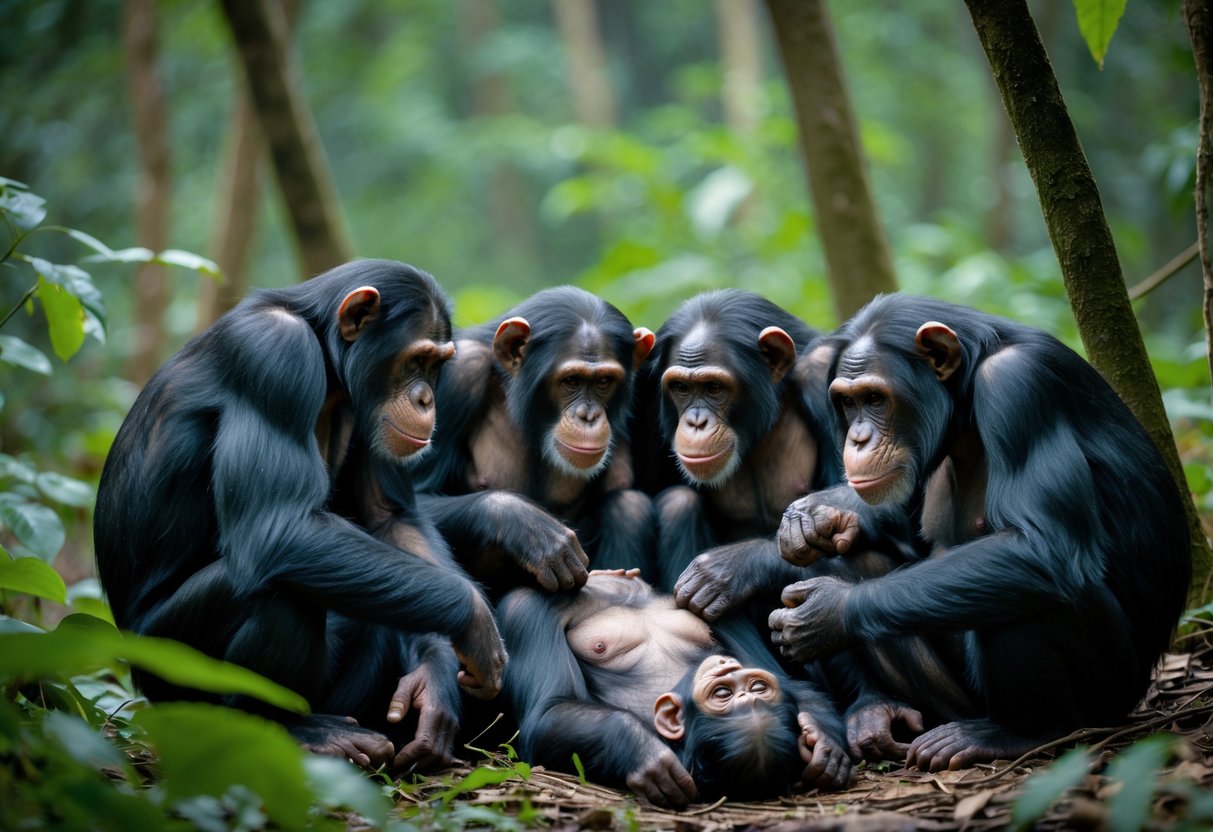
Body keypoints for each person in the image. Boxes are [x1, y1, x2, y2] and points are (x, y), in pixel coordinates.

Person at [497, 570, 852, 807]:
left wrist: (622, 737)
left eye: (724, 693)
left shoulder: (643, 721)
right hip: (675, 580)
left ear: (670, 716)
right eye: (757, 685)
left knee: (519, 605)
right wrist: (822, 726)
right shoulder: (732, 673)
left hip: (562, 602)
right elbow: (790, 690)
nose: (734, 670)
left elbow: (543, 720)